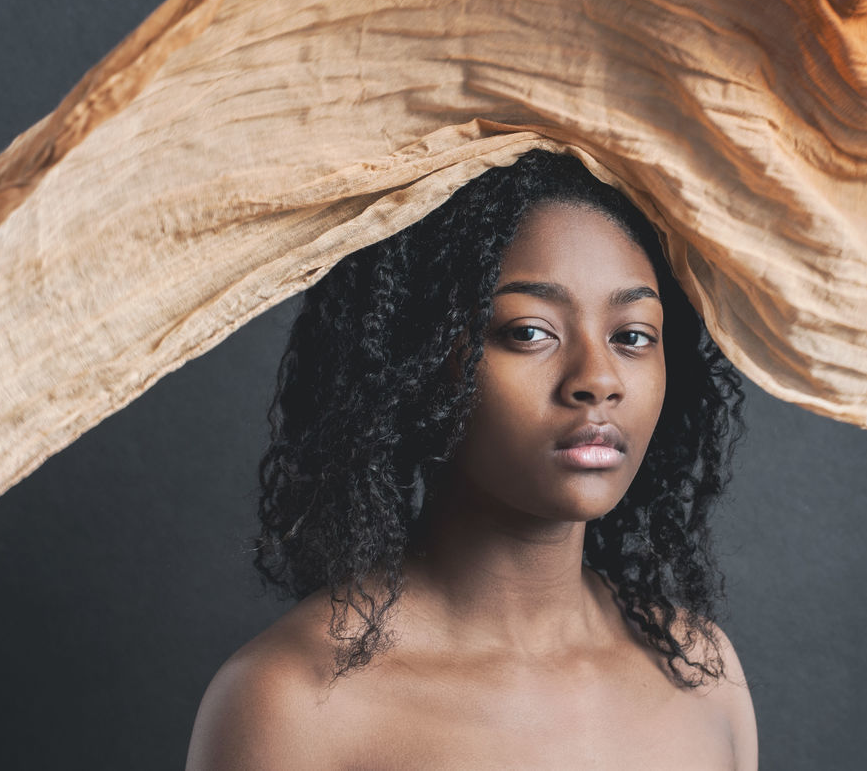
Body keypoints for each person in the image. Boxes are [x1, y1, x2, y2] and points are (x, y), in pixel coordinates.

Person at [185, 149, 758, 769]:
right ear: (421, 361)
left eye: (633, 336)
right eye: (529, 331)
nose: (598, 378)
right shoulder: (292, 704)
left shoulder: (702, 671)